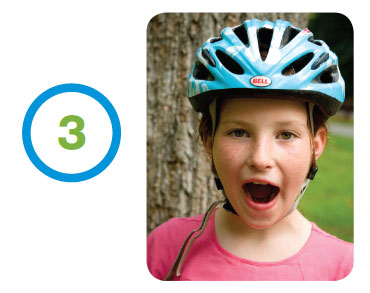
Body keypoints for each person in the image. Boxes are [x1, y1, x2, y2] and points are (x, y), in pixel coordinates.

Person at [147, 18, 353, 281]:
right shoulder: (168, 247)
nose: (261, 158)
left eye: (286, 134)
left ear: (315, 146)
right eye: (239, 132)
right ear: (209, 141)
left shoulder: (344, 269)